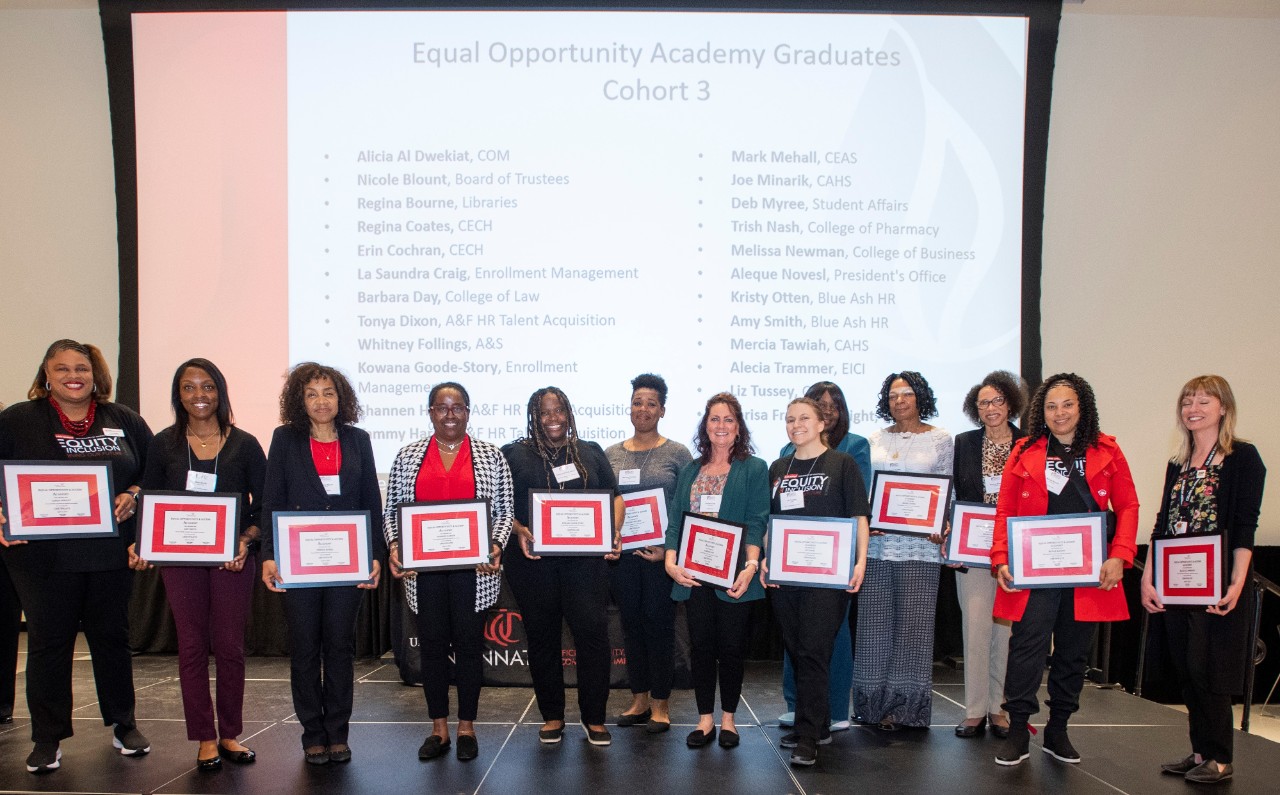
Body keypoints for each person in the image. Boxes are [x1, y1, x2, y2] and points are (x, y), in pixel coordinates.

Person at [0, 340, 153, 774]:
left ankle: (124, 724)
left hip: (110, 553)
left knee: (112, 640)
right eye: (63, 368)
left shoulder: (122, 419)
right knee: (48, 643)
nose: (74, 376)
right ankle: (47, 738)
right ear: (46, 374)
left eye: (82, 368)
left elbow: (154, 471)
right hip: (41, 558)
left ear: (94, 373)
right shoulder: (17, 419)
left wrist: (134, 494)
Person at [990, 372, 1139, 767]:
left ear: (1082, 407)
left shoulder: (1107, 450)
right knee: (1026, 648)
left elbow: (1128, 506)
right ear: (1041, 411)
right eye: (1051, 406)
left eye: (1067, 404)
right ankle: (1018, 729)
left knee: (1073, 653)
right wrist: (1001, 557)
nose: (1059, 413)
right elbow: (1005, 510)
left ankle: (1058, 729)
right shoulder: (1024, 451)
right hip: (1034, 569)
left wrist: (1120, 555)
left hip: (1087, 572)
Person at [139, 358, 266, 770]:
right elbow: (151, 499)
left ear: (220, 392)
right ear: (178, 395)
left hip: (232, 560)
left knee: (230, 647)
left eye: (208, 386)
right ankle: (205, 738)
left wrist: (245, 541)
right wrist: (146, 543)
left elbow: (264, 505)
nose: (199, 395)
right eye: (189, 387)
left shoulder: (245, 444)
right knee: (191, 647)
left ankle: (229, 733)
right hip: (181, 561)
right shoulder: (163, 444)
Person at [1141, 375, 1265, 784]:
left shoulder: (1242, 457)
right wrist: (1149, 578)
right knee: (1186, 668)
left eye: (1203, 401)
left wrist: (1236, 583)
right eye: (1187, 402)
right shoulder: (1177, 462)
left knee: (1208, 668)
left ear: (1223, 408)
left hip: (1216, 580)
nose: (1192, 409)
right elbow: (1162, 524)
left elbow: (1245, 526)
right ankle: (1200, 752)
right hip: (1176, 579)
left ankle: (1221, 758)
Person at [260, 362, 385, 765]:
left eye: (328, 392)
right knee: (304, 648)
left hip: (347, 564)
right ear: (299, 400)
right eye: (311, 393)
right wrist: (268, 555)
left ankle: (337, 732)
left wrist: (376, 555)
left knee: (339, 648)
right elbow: (272, 499)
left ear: (340, 397)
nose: (321, 401)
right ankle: (312, 733)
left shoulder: (358, 439)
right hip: (298, 564)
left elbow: (371, 501)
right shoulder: (285, 439)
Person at [383, 382, 514, 762]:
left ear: (468, 412)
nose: (450, 414)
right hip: (424, 572)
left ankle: (466, 727)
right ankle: (438, 729)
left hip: (474, 571)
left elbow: (505, 511)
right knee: (433, 649)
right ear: (430, 413)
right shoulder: (408, 456)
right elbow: (391, 511)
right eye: (442, 407)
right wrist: (395, 546)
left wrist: (496, 544)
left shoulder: (491, 455)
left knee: (470, 649)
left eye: (458, 407)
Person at [501, 387, 622, 747]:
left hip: (585, 566)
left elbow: (616, 499)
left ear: (568, 414)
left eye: (558, 411)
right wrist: (519, 530)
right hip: (533, 564)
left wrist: (613, 531)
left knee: (593, 636)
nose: (552, 418)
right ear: (534, 417)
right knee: (542, 638)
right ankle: (552, 715)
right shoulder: (514, 454)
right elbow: (499, 506)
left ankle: (594, 718)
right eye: (544, 412)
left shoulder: (590, 451)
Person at [764, 397, 870, 766]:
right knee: (798, 650)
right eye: (790, 419)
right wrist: (767, 559)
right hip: (786, 576)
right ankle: (819, 724)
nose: (796, 425)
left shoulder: (843, 464)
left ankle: (808, 736)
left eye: (804, 418)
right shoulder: (779, 467)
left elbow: (858, 516)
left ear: (822, 423)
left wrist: (860, 562)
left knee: (813, 650)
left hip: (828, 577)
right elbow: (771, 520)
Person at [664, 392, 768, 750]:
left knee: (732, 648)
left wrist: (751, 565)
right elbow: (676, 522)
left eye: (728, 419)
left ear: (738, 427)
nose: (720, 425)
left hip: (734, 575)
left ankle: (729, 720)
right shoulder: (691, 470)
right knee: (702, 647)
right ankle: (705, 719)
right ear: (704, 426)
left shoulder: (754, 468)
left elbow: (756, 520)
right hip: (694, 576)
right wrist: (670, 561)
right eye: (714, 419)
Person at [853, 370, 952, 731]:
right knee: (873, 628)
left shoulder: (941, 439)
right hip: (877, 546)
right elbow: (865, 490)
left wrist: (943, 524)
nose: (899, 400)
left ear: (920, 397)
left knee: (913, 630)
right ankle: (870, 706)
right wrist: (868, 518)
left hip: (921, 548)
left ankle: (903, 709)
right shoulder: (873, 440)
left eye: (907, 393)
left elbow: (949, 491)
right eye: (893, 395)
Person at [605, 374, 691, 733]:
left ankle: (660, 704)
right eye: (637, 402)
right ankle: (639, 700)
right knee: (631, 628)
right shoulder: (611, 454)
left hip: (661, 559)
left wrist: (670, 551)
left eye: (651, 403)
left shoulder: (677, 453)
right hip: (623, 558)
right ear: (630, 407)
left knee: (660, 628)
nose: (643, 409)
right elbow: (606, 504)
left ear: (662, 410)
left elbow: (687, 506)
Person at [951, 371, 1026, 740]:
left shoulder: (1029, 444)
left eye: (997, 400)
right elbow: (953, 494)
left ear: (1010, 403)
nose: (991, 408)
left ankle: (999, 708)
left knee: (1005, 633)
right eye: (983, 403)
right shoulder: (964, 443)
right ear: (975, 409)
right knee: (976, 628)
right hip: (974, 548)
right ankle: (975, 711)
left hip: (1015, 550)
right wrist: (951, 537)